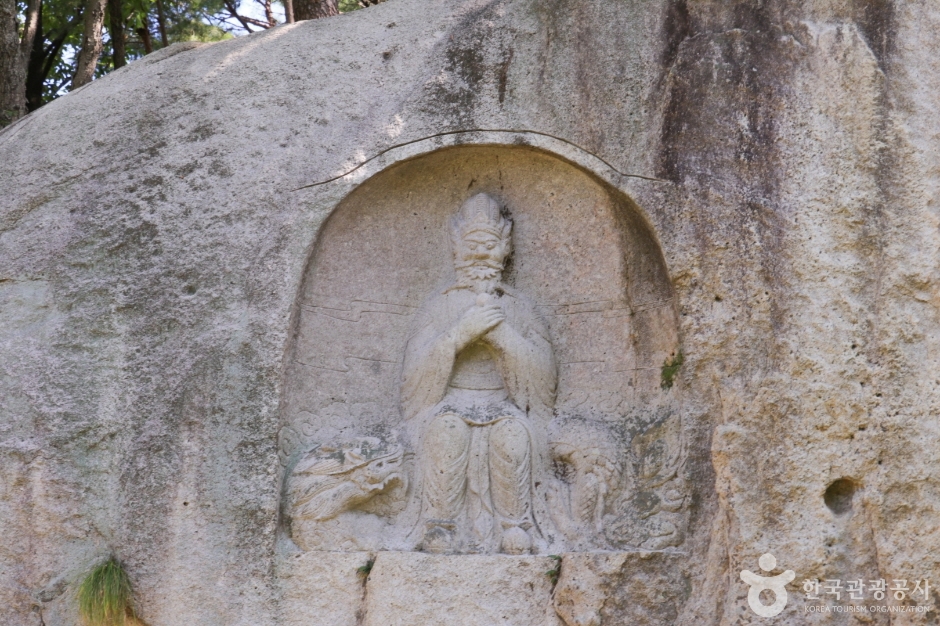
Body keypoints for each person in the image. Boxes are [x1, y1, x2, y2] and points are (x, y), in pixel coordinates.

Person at [401, 193, 557, 554]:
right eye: (473, 245)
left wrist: (503, 335)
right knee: (447, 431)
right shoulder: (441, 304)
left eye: (489, 245)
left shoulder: (518, 306)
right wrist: (459, 334)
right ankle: (441, 523)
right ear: (457, 248)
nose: (482, 254)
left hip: (502, 404)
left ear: (504, 249)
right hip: (451, 402)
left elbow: (543, 377)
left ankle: (514, 525)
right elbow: (413, 377)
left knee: (513, 435)